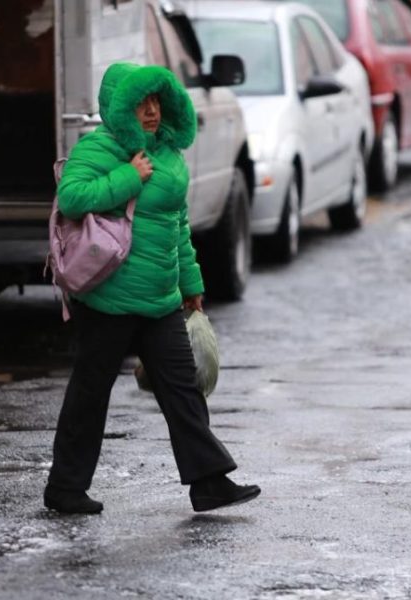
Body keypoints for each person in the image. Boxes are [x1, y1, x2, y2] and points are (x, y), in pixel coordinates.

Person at [44, 62, 260, 514]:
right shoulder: (99, 148)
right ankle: (65, 488)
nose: (150, 112)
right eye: (140, 104)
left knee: (183, 388)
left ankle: (209, 483)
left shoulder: (168, 155)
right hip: (109, 297)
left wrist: (190, 283)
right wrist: (128, 177)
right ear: (118, 107)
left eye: (156, 102)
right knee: (90, 392)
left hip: (160, 298)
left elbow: (176, 225)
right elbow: (72, 197)